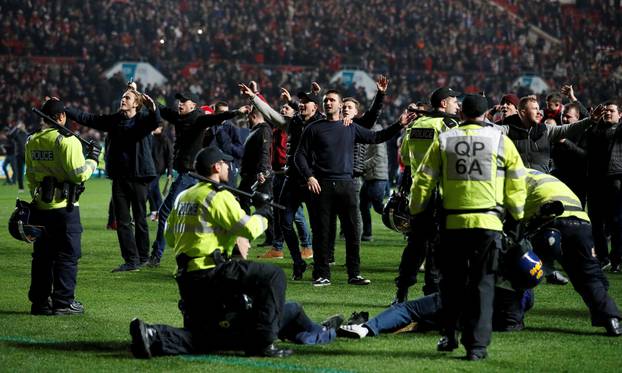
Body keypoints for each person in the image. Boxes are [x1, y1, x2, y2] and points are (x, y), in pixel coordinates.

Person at [128, 146, 342, 358]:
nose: (229, 168)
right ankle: (264, 342)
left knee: (205, 339)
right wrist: (263, 213)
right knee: (273, 276)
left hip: (186, 278)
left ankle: (153, 334)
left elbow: (171, 238)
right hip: (211, 272)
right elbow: (248, 228)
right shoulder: (217, 196)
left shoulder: (184, 196)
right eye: (225, 164)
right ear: (216, 167)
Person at [410, 94, 527, 360]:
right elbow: (517, 182)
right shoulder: (500, 140)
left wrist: (417, 211)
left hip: (452, 224)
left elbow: (423, 180)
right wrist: (517, 216)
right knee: (483, 285)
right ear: (486, 114)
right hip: (488, 224)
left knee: (451, 284)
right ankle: (477, 347)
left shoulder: (445, 139)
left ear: (461, 113)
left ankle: (450, 335)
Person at [295, 89, 414, 287]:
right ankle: (321, 274)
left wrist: (398, 125)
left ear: (340, 105)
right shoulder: (314, 128)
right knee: (322, 232)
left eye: (332, 100)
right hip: (321, 185)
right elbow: (299, 155)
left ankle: (354, 274)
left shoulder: (350, 127)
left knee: (352, 232)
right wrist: (309, 177)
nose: (328, 103)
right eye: (326, 100)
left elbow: (376, 137)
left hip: (347, 185)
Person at [149, 91, 250, 266]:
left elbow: (217, 118)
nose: (180, 103)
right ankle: (218, 252)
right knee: (203, 213)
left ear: (193, 105)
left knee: (165, 212)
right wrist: (143, 98)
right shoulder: (180, 117)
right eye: (179, 101)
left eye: (184, 101)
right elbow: (163, 109)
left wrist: (236, 112)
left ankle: (156, 256)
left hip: (189, 175)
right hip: (190, 174)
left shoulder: (199, 119)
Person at [65, 86, 160, 272]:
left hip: (139, 176)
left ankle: (143, 257)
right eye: (122, 97)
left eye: (127, 98)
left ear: (136, 104)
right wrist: (64, 109)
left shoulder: (142, 120)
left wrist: (153, 108)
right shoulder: (114, 120)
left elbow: (155, 121)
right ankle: (131, 261)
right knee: (123, 221)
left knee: (140, 219)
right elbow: (88, 118)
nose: (123, 100)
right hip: (119, 177)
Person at [524, 169, 622, 336]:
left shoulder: (511, 177)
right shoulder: (540, 176)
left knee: (523, 266)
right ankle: (612, 319)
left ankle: (511, 318)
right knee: (589, 276)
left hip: (550, 220)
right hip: (581, 221)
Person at [240, 83, 323, 279]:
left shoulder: (322, 123)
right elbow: (271, 115)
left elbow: (331, 112)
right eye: (300, 102)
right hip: (292, 179)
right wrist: (254, 97)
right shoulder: (293, 123)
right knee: (284, 222)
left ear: (315, 107)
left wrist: (317, 96)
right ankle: (298, 261)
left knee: (319, 226)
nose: (301, 105)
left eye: (306, 102)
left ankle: (320, 266)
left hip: (314, 181)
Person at [26, 98, 99, 315]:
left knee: (42, 257)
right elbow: (79, 175)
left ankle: (39, 302)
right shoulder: (67, 141)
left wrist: (38, 198)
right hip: (65, 208)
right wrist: (93, 160)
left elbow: (30, 175)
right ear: (61, 117)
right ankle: (63, 302)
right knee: (67, 255)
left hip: (40, 207)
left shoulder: (31, 140)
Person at [396, 87, 460, 304]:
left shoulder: (416, 125)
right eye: (454, 101)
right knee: (436, 248)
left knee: (414, 246)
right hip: (440, 195)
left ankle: (401, 293)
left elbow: (404, 157)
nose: (457, 106)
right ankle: (431, 296)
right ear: (443, 104)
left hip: (418, 194)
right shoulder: (448, 125)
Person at [584, 100, 622, 271]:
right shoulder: (595, 130)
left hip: (615, 180)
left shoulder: (620, 130)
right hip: (594, 181)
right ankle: (602, 257)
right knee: (596, 222)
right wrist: (593, 121)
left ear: (620, 115)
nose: (607, 113)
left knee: (616, 222)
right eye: (605, 111)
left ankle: (616, 260)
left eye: (612, 111)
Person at [147, 124, 173, 223]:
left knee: (149, 189)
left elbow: (170, 157)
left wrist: (169, 172)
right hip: (149, 168)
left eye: (156, 126)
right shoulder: (150, 138)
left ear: (161, 128)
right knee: (155, 191)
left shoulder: (165, 140)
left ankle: (155, 211)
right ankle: (160, 212)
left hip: (158, 169)